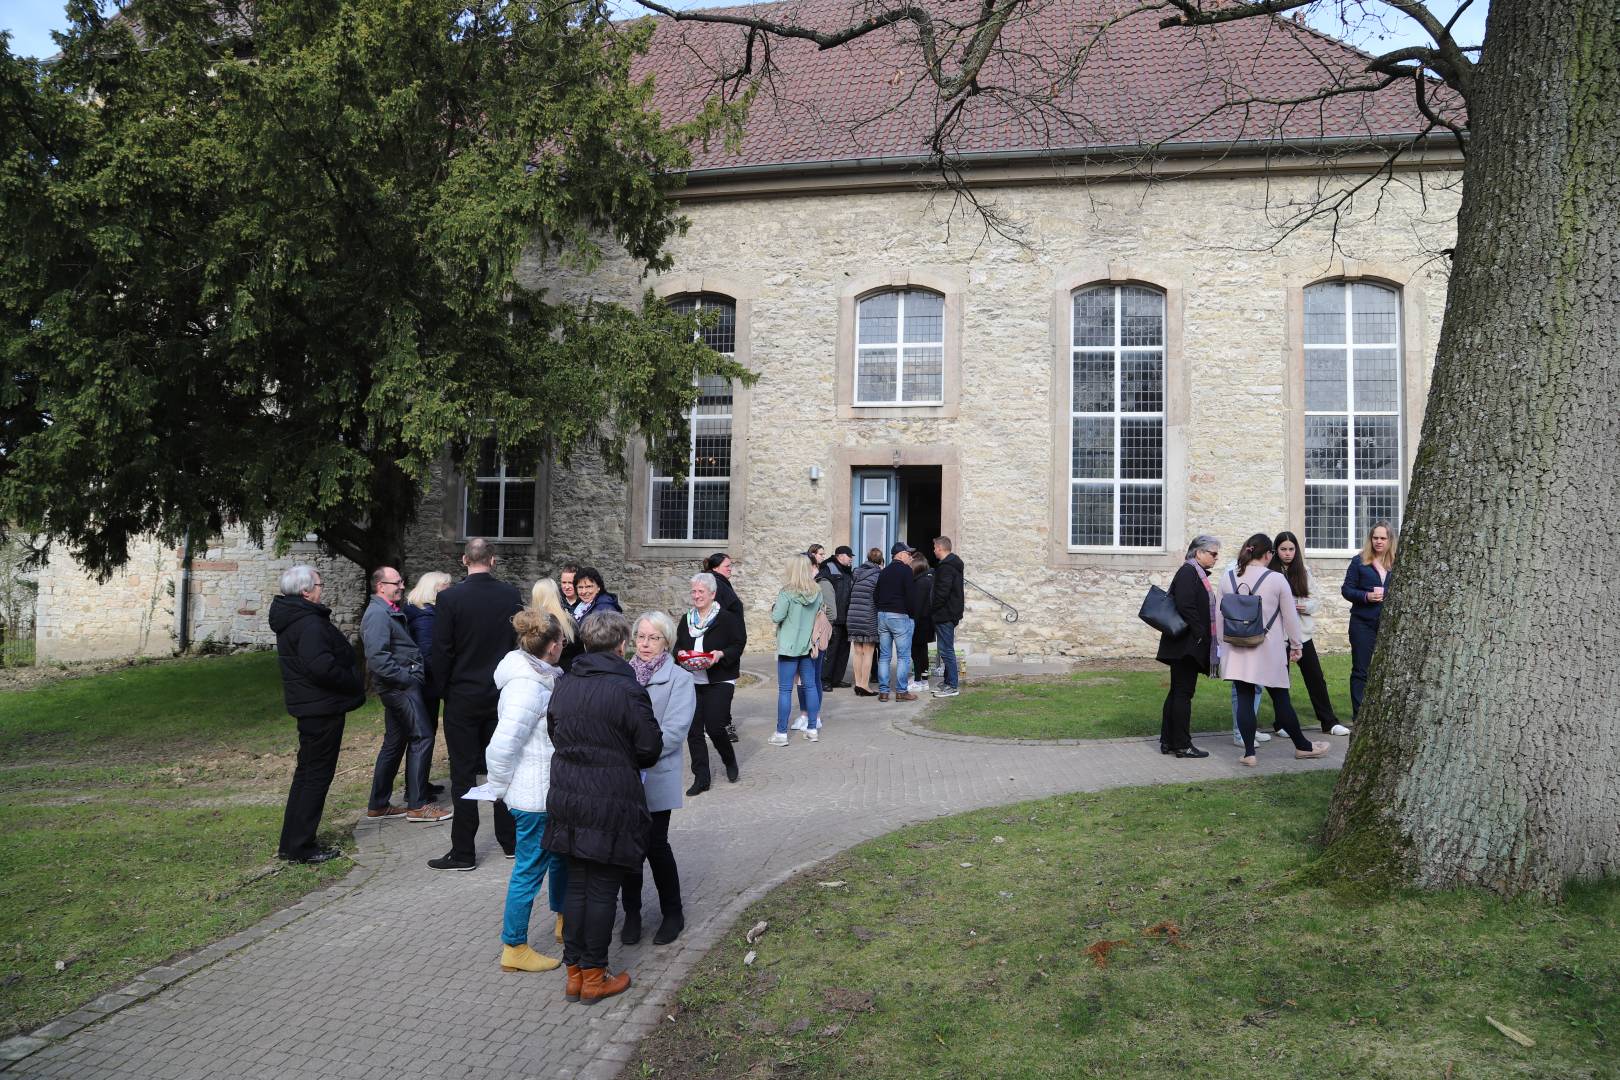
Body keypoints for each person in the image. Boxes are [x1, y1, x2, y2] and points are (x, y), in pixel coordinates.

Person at [543, 611, 661, 1005]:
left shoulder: (565, 683)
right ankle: (593, 975)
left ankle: (575, 972)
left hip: (568, 793)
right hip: (610, 796)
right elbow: (649, 747)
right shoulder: (628, 689)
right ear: (622, 644)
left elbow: (555, 731)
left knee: (578, 883)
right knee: (601, 889)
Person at [426, 539, 525, 871]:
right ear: (493, 560)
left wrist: (442, 691)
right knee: (503, 767)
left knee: (464, 773)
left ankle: (464, 851)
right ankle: (510, 841)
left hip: (463, 697)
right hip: (500, 694)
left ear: (464, 560)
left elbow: (441, 650)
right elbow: (517, 644)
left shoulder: (450, 598)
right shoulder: (510, 596)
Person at [485, 609, 569, 973]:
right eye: (562, 641)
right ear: (551, 647)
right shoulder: (527, 687)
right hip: (533, 797)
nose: (565, 646)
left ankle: (566, 918)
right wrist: (500, 787)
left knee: (561, 858)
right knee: (529, 869)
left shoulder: (541, 676)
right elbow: (502, 746)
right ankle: (514, 946)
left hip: (550, 791)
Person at [268, 565, 365, 864]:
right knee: (315, 777)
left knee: (306, 774)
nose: (323, 589)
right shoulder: (308, 622)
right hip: (321, 708)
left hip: (312, 707)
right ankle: (301, 845)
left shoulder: (295, 618)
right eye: (320, 584)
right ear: (306, 591)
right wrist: (352, 681)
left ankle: (292, 842)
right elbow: (321, 666)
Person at [1218, 533, 1330, 766]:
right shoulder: (1277, 580)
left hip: (1237, 647)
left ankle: (1249, 753)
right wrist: (1297, 645)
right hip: (1269, 647)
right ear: (1268, 554)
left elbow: (1219, 616)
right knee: (1281, 699)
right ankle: (1303, 746)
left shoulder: (1227, 578)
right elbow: (1290, 618)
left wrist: (1223, 645)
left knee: (1245, 699)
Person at [619, 612, 696, 947]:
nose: (645, 644)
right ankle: (632, 914)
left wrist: (638, 755)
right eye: (641, 637)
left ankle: (672, 913)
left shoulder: (679, 678)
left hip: (655, 774)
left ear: (666, 641)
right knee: (627, 850)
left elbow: (675, 731)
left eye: (653, 638)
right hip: (622, 778)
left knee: (654, 845)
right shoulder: (622, 674)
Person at [361, 567, 450, 823]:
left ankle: (378, 804)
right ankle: (418, 805)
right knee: (422, 737)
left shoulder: (389, 610)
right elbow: (377, 658)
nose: (401, 586)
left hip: (398, 686)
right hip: (399, 688)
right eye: (396, 582)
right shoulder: (378, 614)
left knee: (394, 743)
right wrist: (407, 678)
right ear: (381, 586)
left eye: (402, 581)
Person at [1271, 531, 1349, 736]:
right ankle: (1281, 723)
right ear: (1276, 550)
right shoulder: (1270, 573)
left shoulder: (1302, 571)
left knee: (1315, 677)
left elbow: (1316, 598)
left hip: (1302, 634)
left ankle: (1328, 721)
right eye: (1283, 549)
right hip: (1279, 636)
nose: (1287, 553)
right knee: (1280, 680)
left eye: (1291, 549)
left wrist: (1304, 606)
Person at [675, 572, 745, 792]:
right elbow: (677, 646)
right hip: (692, 679)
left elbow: (738, 643)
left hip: (720, 678)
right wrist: (682, 655)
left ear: (712, 594)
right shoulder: (687, 619)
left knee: (715, 726)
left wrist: (720, 654)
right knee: (694, 730)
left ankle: (729, 760)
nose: (696, 596)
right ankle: (702, 778)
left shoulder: (726, 618)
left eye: (701, 591)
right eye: (694, 591)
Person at [1155, 535, 1220, 759]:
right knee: (1183, 693)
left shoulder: (1194, 573)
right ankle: (1181, 744)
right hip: (1185, 645)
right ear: (1199, 552)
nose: (1216, 558)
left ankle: (1169, 742)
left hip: (1184, 644)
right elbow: (1185, 604)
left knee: (1177, 693)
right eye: (1213, 553)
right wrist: (1200, 631)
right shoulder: (1188, 572)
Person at [1342, 520, 1397, 725]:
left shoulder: (1396, 563)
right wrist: (1366, 597)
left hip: (1387, 625)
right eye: (1375, 538)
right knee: (1361, 670)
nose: (1379, 542)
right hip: (1362, 623)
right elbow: (1347, 590)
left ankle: (1381, 716)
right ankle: (1359, 717)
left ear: (1390, 540)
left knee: (1385, 671)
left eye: (1383, 538)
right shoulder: (1360, 561)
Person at [403, 571, 452, 801]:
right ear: (433, 590)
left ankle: (419, 784)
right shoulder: (424, 617)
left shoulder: (423, 612)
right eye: (445, 587)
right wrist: (443, 679)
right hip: (425, 685)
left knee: (424, 735)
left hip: (425, 685)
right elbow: (427, 654)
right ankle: (416, 790)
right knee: (422, 737)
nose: (448, 591)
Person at [769, 555, 825, 745]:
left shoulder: (786, 592)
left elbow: (777, 617)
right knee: (810, 686)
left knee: (785, 690)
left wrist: (774, 608)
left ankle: (781, 733)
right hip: (808, 645)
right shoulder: (817, 591)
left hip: (789, 646)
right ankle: (812, 729)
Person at [703, 552, 746, 742]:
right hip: (721, 643)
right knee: (722, 685)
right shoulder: (715, 584)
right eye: (727, 566)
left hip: (726, 642)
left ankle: (719, 723)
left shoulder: (719, 582)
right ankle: (719, 725)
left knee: (721, 685)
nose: (731, 569)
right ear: (715, 567)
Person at [874, 542, 917, 701]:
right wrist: (911, 615)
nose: (910, 557)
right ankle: (901, 691)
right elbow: (911, 596)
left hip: (883, 615)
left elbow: (876, 595)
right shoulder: (906, 571)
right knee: (903, 656)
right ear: (899, 554)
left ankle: (884, 692)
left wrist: (882, 608)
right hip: (899, 616)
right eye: (908, 553)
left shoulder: (884, 571)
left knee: (884, 656)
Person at [563, 567, 622, 670]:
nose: (584, 591)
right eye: (580, 587)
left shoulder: (603, 608)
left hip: (597, 664)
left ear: (598, 587)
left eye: (589, 586)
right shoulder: (582, 605)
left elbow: (603, 643)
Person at [929, 537, 965, 698]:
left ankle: (952, 685)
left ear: (941, 548)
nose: (934, 550)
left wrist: (933, 608)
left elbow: (942, 593)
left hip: (945, 614)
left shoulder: (946, 568)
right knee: (944, 649)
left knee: (946, 650)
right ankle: (947, 682)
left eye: (935, 548)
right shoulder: (950, 565)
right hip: (947, 613)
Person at [846, 549, 883, 696]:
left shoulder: (855, 572)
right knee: (869, 652)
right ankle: (864, 685)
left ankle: (858, 684)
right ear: (880, 561)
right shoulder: (878, 575)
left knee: (857, 651)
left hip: (853, 614)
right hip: (869, 615)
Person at [819, 546, 856, 691]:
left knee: (843, 650)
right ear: (840, 556)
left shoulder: (846, 570)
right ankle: (825, 680)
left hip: (846, 617)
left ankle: (836, 679)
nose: (851, 558)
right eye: (849, 556)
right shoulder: (828, 568)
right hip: (833, 618)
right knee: (831, 650)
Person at [531, 577, 578, 670]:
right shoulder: (568, 621)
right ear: (556, 594)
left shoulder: (530, 622)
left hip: (538, 671)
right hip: (565, 673)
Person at [908, 555, 935, 692]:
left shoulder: (920, 582)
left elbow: (917, 605)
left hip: (920, 621)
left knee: (916, 652)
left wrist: (912, 622)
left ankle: (919, 680)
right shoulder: (929, 579)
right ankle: (923, 679)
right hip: (927, 621)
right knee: (922, 651)